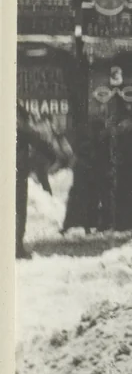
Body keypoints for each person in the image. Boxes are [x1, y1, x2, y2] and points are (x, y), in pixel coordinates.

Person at [16, 105, 59, 259]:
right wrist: (53, 155)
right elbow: (38, 141)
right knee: (18, 210)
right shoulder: (21, 128)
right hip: (16, 173)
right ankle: (17, 247)